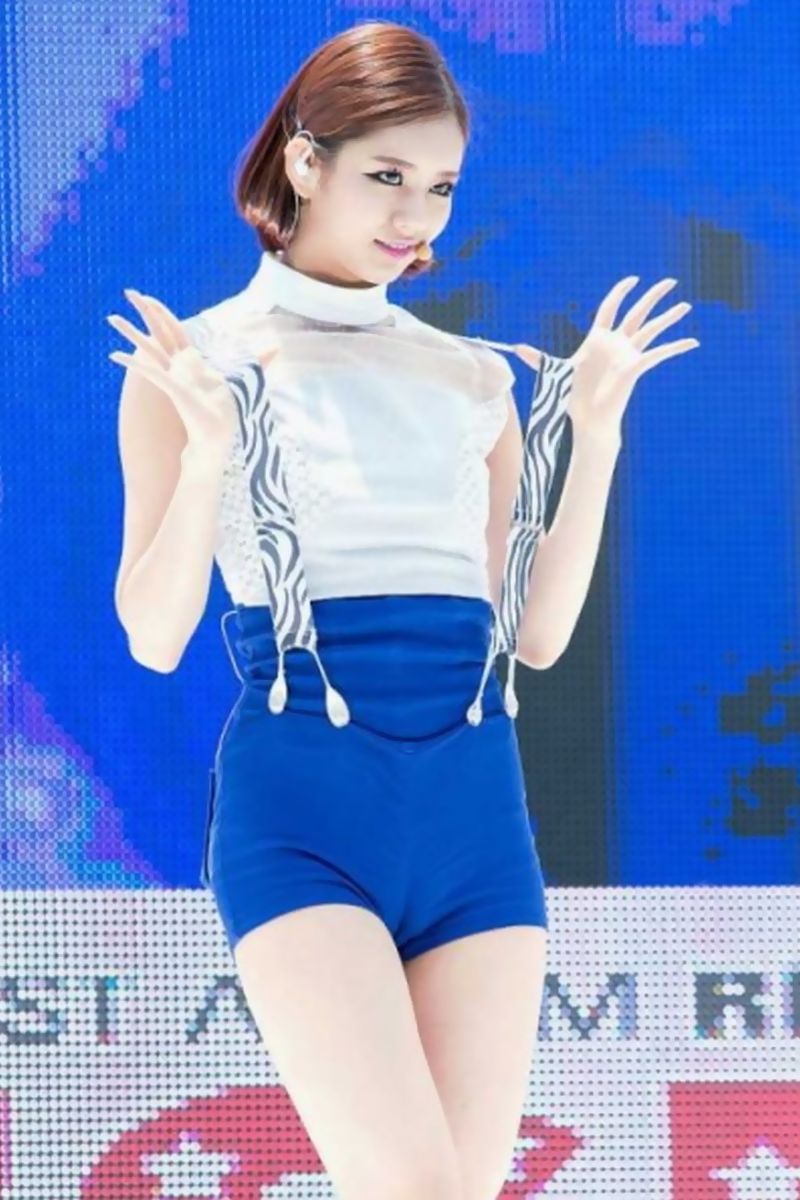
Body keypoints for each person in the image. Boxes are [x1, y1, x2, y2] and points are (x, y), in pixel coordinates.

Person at [111, 20, 576, 1200]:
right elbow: (153, 636)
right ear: (304, 162)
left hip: (476, 811)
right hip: (304, 811)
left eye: (440, 186)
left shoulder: (472, 377)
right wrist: (208, 456)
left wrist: (602, 434)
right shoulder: (195, 361)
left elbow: (527, 630)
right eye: (386, 175)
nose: (414, 215)